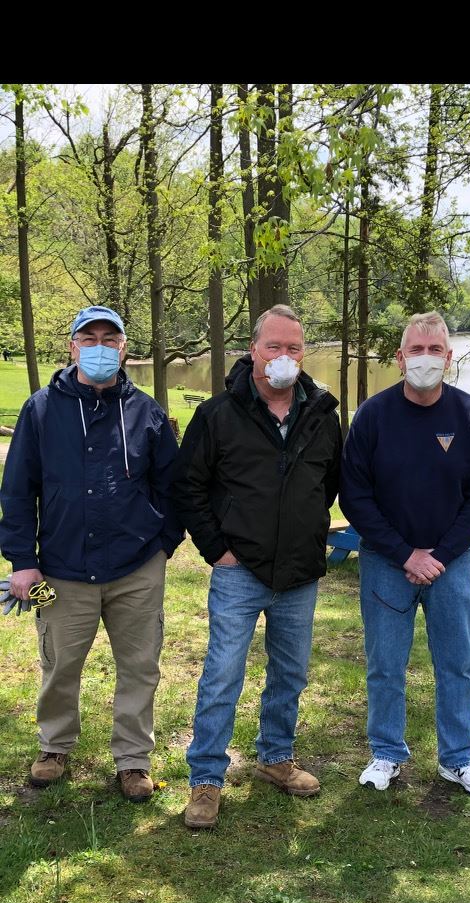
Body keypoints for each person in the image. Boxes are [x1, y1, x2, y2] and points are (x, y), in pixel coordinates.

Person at [0, 305, 184, 801]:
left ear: (124, 347)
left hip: (136, 566)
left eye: (110, 338)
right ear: (72, 345)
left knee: (141, 665)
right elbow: (17, 490)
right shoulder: (40, 410)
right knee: (60, 663)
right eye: (90, 337)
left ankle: (133, 758)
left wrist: (163, 545)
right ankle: (55, 745)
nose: (100, 346)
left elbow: (172, 487)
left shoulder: (146, 411)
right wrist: (22, 560)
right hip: (61, 569)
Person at [172, 304, 342, 829]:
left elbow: (328, 484)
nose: (284, 357)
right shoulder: (218, 415)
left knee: (289, 673)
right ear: (254, 351)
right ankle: (205, 778)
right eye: (274, 347)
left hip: (299, 574)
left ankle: (276, 757)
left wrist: (306, 531)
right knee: (222, 674)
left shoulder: (321, 415)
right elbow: (189, 488)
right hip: (237, 571)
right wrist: (217, 550)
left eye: (294, 348)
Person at [339, 310, 470, 799]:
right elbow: (355, 496)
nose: (426, 359)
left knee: (457, 663)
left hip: (453, 563)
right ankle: (386, 752)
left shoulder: (469, 414)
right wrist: (405, 553)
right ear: (400, 357)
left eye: (435, 350)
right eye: (417, 349)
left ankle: (459, 759)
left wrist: (441, 554)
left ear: (449, 358)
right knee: (385, 663)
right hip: (385, 562)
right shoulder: (373, 415)